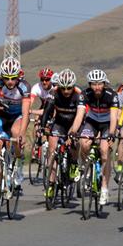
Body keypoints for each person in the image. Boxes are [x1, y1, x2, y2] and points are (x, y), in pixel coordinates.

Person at [73, 69, 119, 206]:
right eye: (94, 84)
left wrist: (111, 133)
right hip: (92, 121)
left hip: (107, 123)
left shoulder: (112, 95)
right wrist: (73, 131)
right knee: (84, 142)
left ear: (104, 84)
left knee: (104, 151)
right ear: (89, 85)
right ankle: (85, 166)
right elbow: (80, 115)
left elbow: (114, 117)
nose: (97, 87)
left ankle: (104, 188)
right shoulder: (84, 94)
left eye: (99, 84)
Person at [0, 57, 32, 192]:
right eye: (6, 78)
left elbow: (25, 112)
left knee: (16, 134)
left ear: (18, 76)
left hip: (18, 116)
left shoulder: (24, 87)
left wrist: (23, 133)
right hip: (3, 116)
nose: (10, 81)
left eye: (13, 78)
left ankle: (18, 162)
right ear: (2, 77)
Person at [39, 68, 83, 198]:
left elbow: (80, 116)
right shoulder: (54, 93)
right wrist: (43, 127)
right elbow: (47, 111)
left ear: (73, 86)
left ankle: (74, 163)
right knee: (52, 150)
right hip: (59, 123)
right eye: (63, 88)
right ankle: (51, 184)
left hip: (74, 123)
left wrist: (73, 132)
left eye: (69, 88)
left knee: (75, 142)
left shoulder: (79, 95)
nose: (66, 91)